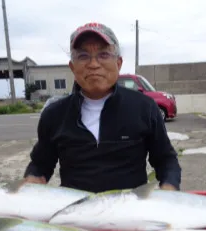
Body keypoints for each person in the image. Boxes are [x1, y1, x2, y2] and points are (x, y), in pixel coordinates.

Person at [23, 22, 181, 193]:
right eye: (83, 56)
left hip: (131, 213)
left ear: (118, 63)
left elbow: (166, 160)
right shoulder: (54, 114)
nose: (93, 64)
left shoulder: (144, 108)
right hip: (75, 214)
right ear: (72, 67)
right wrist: (31, 183)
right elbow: (40, 165)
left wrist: (169, 190)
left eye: (103, 55)